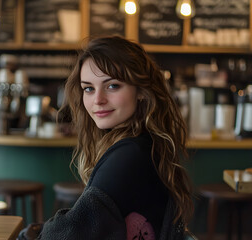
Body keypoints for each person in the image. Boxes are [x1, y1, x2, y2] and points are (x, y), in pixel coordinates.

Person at [19, 35, 194, 240]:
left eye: (112, 86)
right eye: (89, 88)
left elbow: (72, 232)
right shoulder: (143, 144)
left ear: (140, 91)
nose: (98, 100)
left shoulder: (130, 154)